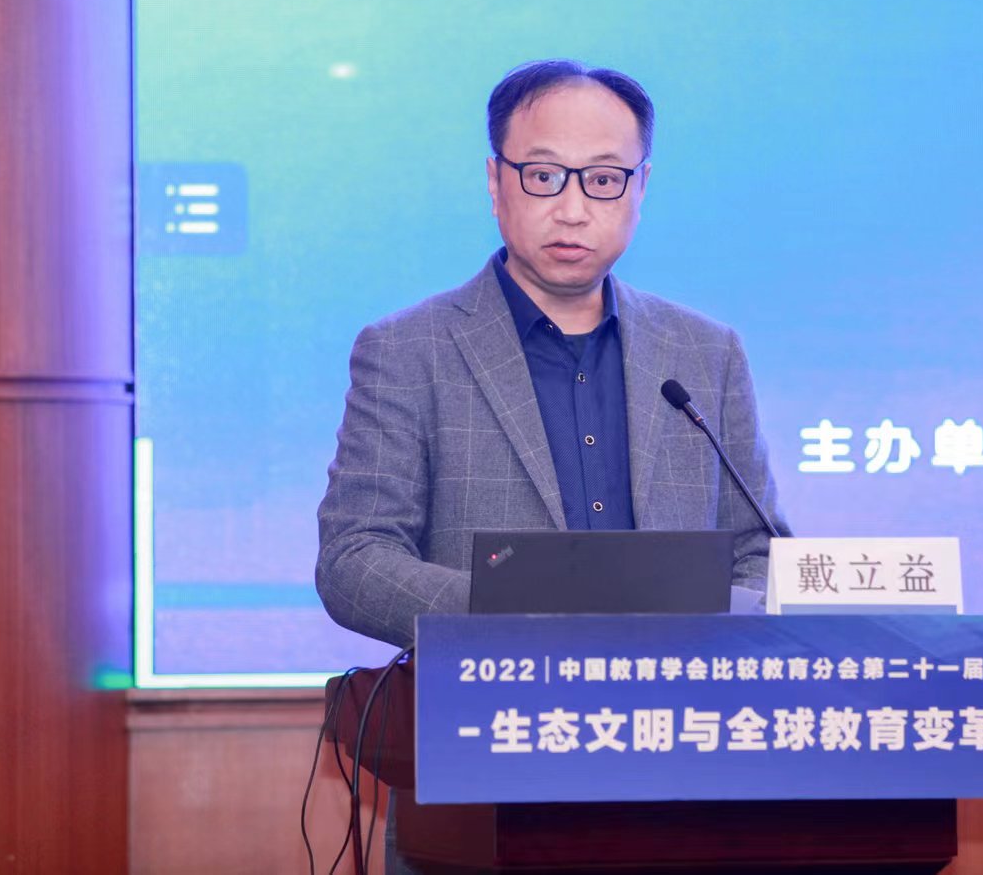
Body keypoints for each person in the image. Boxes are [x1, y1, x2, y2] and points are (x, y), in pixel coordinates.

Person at [314, 58, 790, 649]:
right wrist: (516, 616)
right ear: (496, 183)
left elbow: (760, 550)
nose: (572, 209)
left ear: (640, 187)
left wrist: (709, 635)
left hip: (672, 693)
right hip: (494, 693)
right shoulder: (408, 351)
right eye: (543, 176)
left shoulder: (706, 352)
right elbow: (354, 560)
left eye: (604, 180)